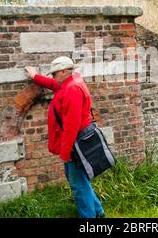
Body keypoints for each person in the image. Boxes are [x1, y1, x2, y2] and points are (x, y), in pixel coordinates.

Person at [24, 56, 105, 218]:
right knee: (79, 180)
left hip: (75, 143)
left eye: (54, 74)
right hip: (78, 142)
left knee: (78, 184)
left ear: (63, 72)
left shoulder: (72, 90)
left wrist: (66, 153)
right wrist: (35, 77)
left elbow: (71, 126)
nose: (52, 77)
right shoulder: (70, 82)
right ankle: (98, 212)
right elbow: (55, 86)